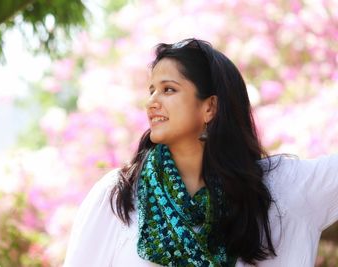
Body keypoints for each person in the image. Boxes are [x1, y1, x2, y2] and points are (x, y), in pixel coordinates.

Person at [63, 38, 338, 267]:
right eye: (151, 90)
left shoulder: (278, 188)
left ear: (210, 107)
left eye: (168, 89)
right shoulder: (120, 195)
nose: (151, 102)